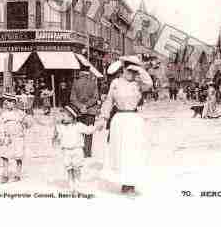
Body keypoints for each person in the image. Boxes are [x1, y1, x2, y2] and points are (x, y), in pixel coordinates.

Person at [100, 56, 153, 195]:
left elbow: (149, 84)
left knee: (133, 151)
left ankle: (131, 183)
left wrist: (139, 70)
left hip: (134, 120)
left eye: (134, 71)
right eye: (129, 70)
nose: (131, 73)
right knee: (121, 152)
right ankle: (124, 182)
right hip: (119, 120)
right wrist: (103, 117)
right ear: (123, 69)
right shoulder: (116, 83)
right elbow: (108, 101)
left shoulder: (138, 84)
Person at [52, 105, 105, 193]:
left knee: (77, 168)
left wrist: (96, 127)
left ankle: (77, 184)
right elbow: (56, 137)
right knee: (69, 169)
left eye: (64, 116)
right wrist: (55, 137)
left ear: (72, 117)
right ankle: (71, 185)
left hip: (77, 150)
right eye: (62, 115)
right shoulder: (60, 127)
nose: (62, 117)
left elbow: (88, 130)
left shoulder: (78, 126)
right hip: (66, 150)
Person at [0, 93, 31, 183]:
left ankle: (18, 174)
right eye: (7, 102)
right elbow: (1, 126)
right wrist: (2, 136)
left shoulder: (20, 113)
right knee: (5, 156)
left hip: (18, 138)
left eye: (11, 102)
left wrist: (26, 120)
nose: (8, 104)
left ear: (15, 103)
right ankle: (5, 174)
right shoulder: (4, 114)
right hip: (7, 138)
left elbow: (28, 124)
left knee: (18, 156)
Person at [70, 65, 100, 158]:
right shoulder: (93, 83)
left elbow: (72, 98)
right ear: (88, 73)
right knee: (89, 132)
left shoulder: (75, 83)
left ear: (80, 72)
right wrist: (86, 106)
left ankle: (81, 151)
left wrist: (81, 106)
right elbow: (95, 98)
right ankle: (87, 152)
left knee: (79, 131)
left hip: (79, 111)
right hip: (90, 111)